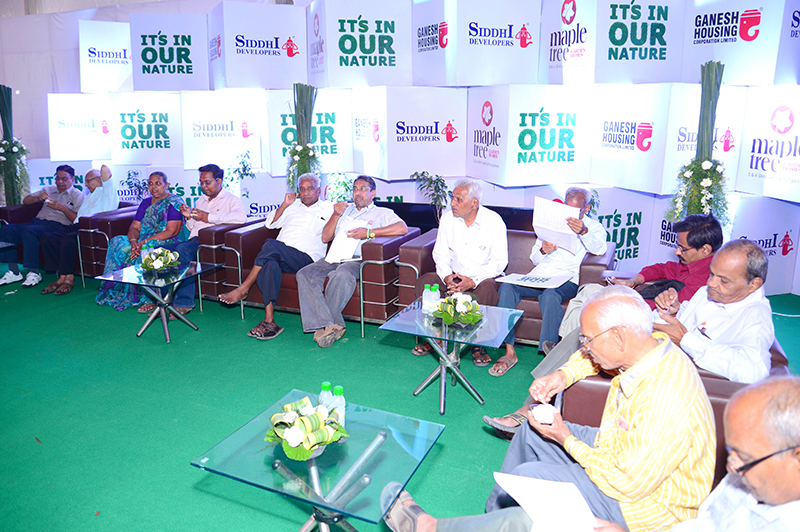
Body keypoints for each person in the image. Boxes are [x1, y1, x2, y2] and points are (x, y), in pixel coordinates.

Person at [383, 286, 716, 532]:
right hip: (621, 451)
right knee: (530, 428)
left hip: (644, 508)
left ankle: (432, 528)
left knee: (530, 476)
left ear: (618, 336)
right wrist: (562, 375)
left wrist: (565, 437)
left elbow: (627, 483)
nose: (585, 347)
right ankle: (491, 519)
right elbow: (592, 360)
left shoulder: (665, 397)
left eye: (588, 340)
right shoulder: (652, 346)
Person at [485, 214, 723, 434]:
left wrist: (628, 301)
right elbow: (661, 269)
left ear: (705, 249)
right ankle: (543, 390)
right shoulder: (689, 267)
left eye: (683, 248)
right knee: (584, 323)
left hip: (646, 329)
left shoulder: (708, 283)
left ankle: (533, 405)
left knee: (586, 332)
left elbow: (672, 320)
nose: (677, 252)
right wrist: (636, 280)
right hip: (640, 315)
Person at [597, 376, 800, 532]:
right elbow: (703, 525)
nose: (731, 467)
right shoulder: (744, 473)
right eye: (731, 451)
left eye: (745, 458)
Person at [491, 187, 606, 377]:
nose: (570, 213)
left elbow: (600, 249)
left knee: (550, 295)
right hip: (541, 275)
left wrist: (584, 232)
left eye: (575, 209)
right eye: (567, 207)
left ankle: (549, 356)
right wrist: (544, 250)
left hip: (567, 278)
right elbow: (534, 258)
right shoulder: (553, 223)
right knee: (507, 287)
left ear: (586, 209)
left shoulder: (593, 227)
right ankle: (509, 351)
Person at [296, 175, 407, 348]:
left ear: (373, 193)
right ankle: (331, 324)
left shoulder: (382, 213)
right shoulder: (345, 210)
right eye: (355, 189)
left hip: (357, 259)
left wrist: (369, 232)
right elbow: (325, 238)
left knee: (341, 274)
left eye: (363, 189)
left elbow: (402, 228)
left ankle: (327, 325)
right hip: (334, 257)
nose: (358, 193)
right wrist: (335, 215)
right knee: (305, 273)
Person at [218, 172, 332, 339]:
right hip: (280, 254)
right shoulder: (291, 206)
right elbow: (270, 224)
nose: (305, 193)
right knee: (270, 263)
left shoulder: (328, 208)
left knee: (271, 245)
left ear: (319, 190)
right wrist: (284, 205)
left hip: (306, 258)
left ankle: (243, 288)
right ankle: (269, 320)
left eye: (310, 189)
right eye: (302, 189)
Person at [411, 179, 508, 368]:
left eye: (458, 199)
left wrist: (472, 281)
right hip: (452, 276)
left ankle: (478, 343)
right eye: (452, 198)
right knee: (426, 281)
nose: (452, 203)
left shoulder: (494, 221)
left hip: (481, 278)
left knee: (488, 289)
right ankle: (435, 338)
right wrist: (447, 277)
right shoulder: (448, 219)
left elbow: (499, 262)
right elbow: (440, 254)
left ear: (474, 203)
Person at [654, 239, 774, 383]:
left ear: (754, 284)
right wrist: (675, 310)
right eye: (711, 274)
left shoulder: (756, 320)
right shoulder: (712, 291)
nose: (710, 283)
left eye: (724, 281)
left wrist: (686, 340)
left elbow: (753, 373)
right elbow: (692, 315)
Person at [136, 164, 247, 319]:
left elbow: (241, 218)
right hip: (194, 240)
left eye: (207, 182)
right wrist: (189, 217)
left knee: (182, 250)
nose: (204, 186)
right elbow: (193, 227)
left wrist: (208, 217)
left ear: (219, 181)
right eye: (201, 183)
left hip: (210, 243)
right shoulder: (201, 200)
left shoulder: (231, 200)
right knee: (156, 251)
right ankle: (162, 300)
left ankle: (183, 304)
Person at [96, 171, 188, 311]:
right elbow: (135, 226)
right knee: (117, 241)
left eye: (158, 183)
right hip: (143, 238)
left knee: (148, 248)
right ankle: (116, 291)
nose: (153, 187)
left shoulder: (174, 202)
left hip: (167, 239)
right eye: (150, 183)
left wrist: (143, 242)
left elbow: (172, 231)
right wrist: (134, 242)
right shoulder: (146, 203)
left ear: (166, 185)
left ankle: (151, 298)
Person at [38, 165, 118, 295]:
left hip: (91, 229)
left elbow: (105, 169)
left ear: (99, 179)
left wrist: (100, 173)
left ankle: (68, 278)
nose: (86, 185)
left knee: (68, 240)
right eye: (85, 182)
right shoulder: (90, 195)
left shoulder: (108, 192)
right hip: (76, 226)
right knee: (47, 237)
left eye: (88, 181)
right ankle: (61, 275)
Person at [0, 164, 84, 287]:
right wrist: (38, 198)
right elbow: (26, 201)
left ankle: (34, 272)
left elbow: (77, 219)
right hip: (37, 222)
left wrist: (63, 208)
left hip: (58, 226)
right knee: (6, 229)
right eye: (57, 178)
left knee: (29, 231)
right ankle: (14, 271)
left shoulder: (77, 195)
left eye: (64, 179)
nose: (60, 182)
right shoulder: (48, 189)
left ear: (73, 179)